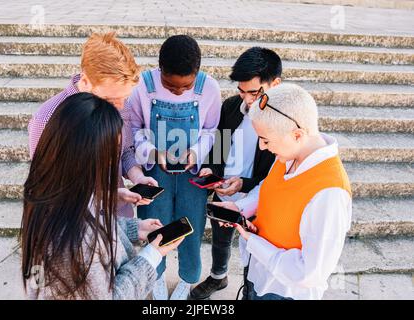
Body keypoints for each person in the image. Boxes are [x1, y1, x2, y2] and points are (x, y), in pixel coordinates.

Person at [21, 93, 183, 300]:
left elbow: (94, 224)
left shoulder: (48, 192)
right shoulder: (76, 241)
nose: (112, 161)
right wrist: (152, 255)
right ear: (87, 157)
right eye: (110, 153)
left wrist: (133, 229)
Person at [214, 83, 352, 300]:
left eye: (266, 140)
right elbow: (267, 189)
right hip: (258, 273)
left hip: (284, 291)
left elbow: (309, 273)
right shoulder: (288, 154)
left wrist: (254, 242)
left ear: (297, 134)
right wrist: (239, 208)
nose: (261, 147)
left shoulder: (330, 193)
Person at [129, 35, 221, 300]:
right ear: (160, 70)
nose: (179, 91)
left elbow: (211, 130)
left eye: (185, 86)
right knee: (155, 226)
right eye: (170, 86)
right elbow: (134, 129)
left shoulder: (209, 88)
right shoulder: (143, 87)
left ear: (197, 73)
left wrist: (195, 152)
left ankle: (187, 280)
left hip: (192, 175)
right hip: (155, 172)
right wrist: (153, 152)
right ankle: (155, 276)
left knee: (190, 227)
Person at [28, 32, 156, 218]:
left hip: (118, 215)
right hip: (75, 224)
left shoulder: (120, 103)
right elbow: (47, 188)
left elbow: (125, 150)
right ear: (85, 80)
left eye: (124, 98)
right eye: (110, 100)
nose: (119, 108)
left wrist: (138, 177)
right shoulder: (47, 119)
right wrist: (105, 197)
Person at [190, 47, 281, 300]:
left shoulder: (282, 120)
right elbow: (218, 148)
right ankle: (218, 277)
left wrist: (243, 183)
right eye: (242, 91)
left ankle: (251, 289)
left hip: (260, 198)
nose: (247, 99)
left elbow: (276, 176)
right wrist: (211, 170)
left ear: (275, 84)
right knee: (220, 239)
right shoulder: (231, 107)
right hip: (224, 190)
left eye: (254, 92)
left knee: (254, 250)